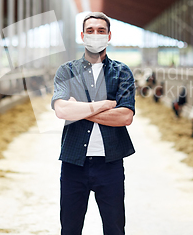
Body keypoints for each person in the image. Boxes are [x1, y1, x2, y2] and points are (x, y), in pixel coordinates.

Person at [51, 12, 136, 235]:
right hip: (73, 165)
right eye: (90, 31)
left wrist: (79, 109)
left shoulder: (122, 72)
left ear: (109, 36)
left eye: (100, 31)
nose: (95, 35)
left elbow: (125, 116)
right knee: (70, 228)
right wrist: (105, 105)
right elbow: (61, 110)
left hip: (110, 165)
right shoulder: (66, 71)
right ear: (82, 35)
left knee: (115, 228)